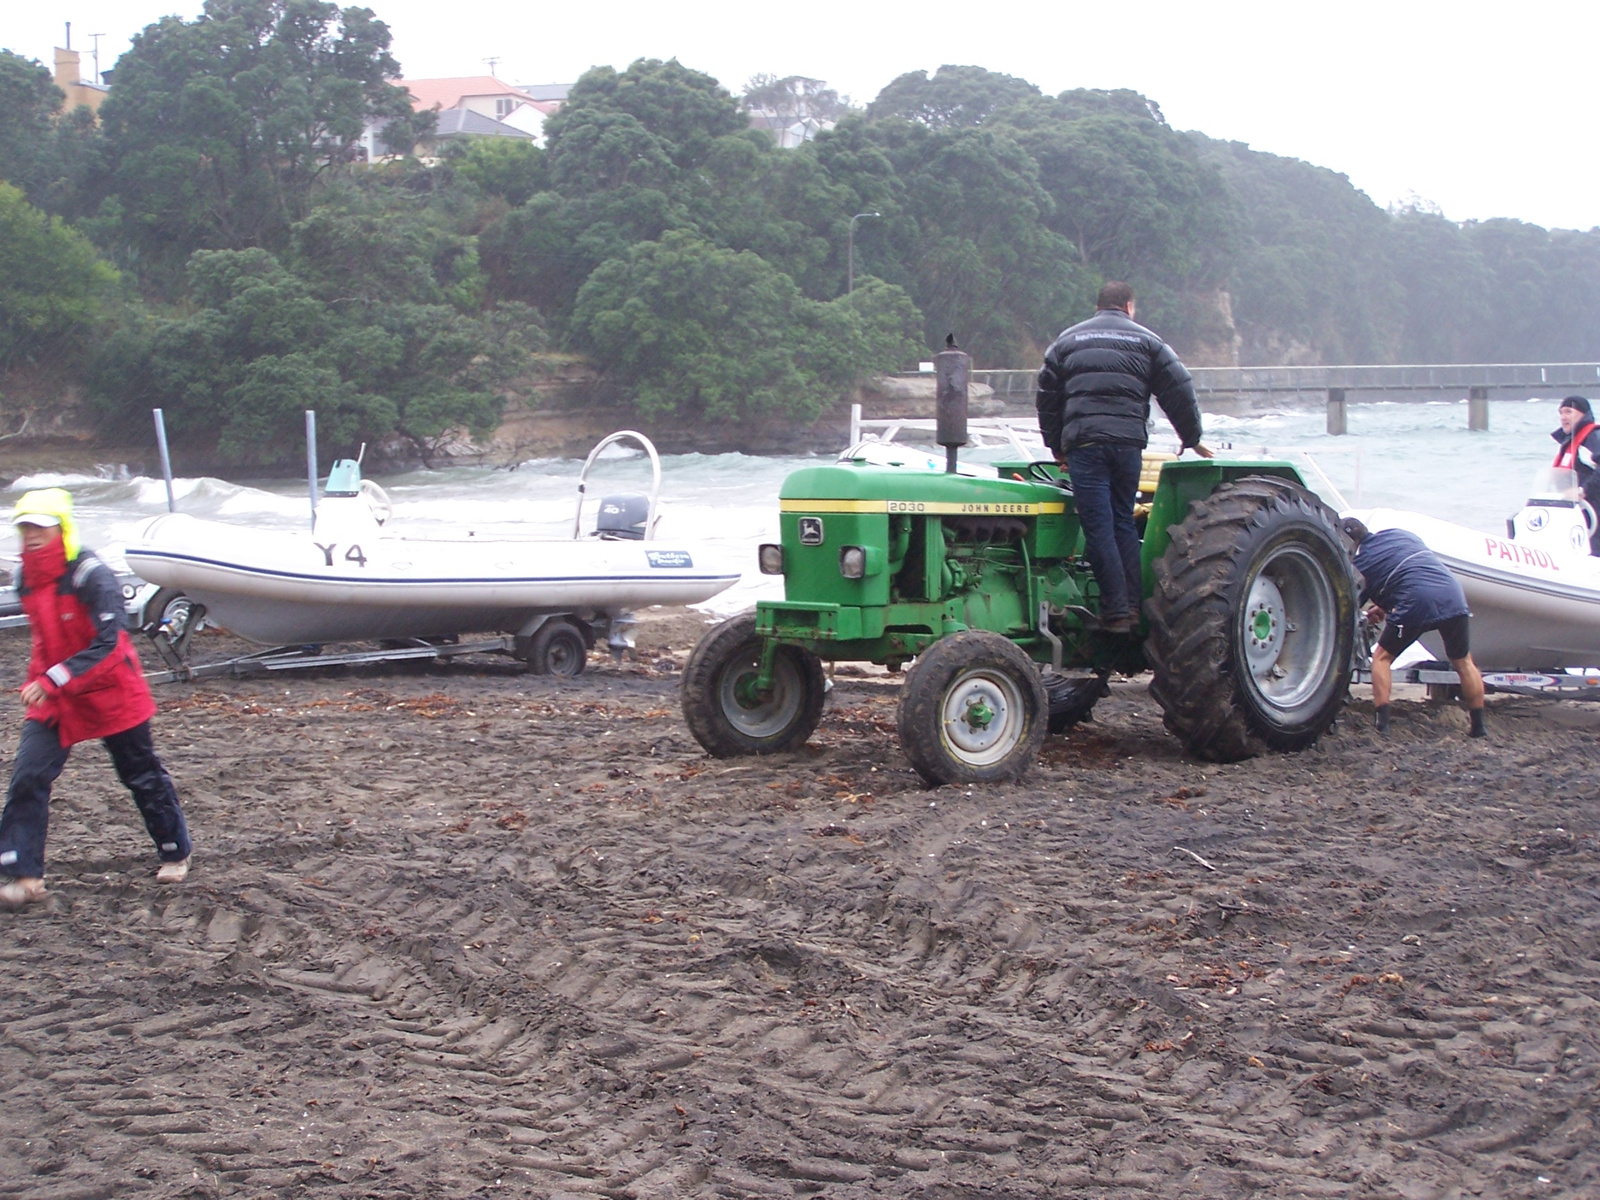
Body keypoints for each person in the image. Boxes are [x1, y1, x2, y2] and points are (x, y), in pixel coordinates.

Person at [0, 488, 192, 908]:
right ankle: (24, 874)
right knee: (28, 777)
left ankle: (175, 847)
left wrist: (52, 678)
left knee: (140, 774)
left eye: (41, 526)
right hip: (56, 695)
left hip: (111, 690)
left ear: (61, 528)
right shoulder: (23, 577)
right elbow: (42, 639)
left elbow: (108, 644)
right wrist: (39, 682)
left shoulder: (92, 575)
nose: (31, 535)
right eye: (25, 526)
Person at [1036, 281, 1213, 634]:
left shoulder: (1067, 341)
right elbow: (1178, 389)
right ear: (1129, 307)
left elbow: (1047, 399)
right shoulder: (1148, 341)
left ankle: (1116, 611)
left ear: (1098, 306)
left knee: (1097, 525)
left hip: (1085, 445)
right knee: (1122, 522)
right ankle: (1131, 608)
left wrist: (1057, 447)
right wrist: (1190, 437)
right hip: (1128, 445)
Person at [1341, 517, 1486, 739]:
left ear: (1347, 542)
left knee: (1382, 657)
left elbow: (1349, 608)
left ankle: (1383, 725)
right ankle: (1478, 728)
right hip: (1453, 594)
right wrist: (1384, 604)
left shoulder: (1360, 564)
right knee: (1463, 661)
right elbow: (1407, 568)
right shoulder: (1399, 534)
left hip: (1417, 601)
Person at [1550, 395, 1600, 556]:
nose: (1563, 418)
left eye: (1568, 412)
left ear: (1582, 415)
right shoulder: (1569, 442)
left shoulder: (1592, 438)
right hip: (1578, 512)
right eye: (1561, 413)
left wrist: (1582, 490)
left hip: (1594, 511)